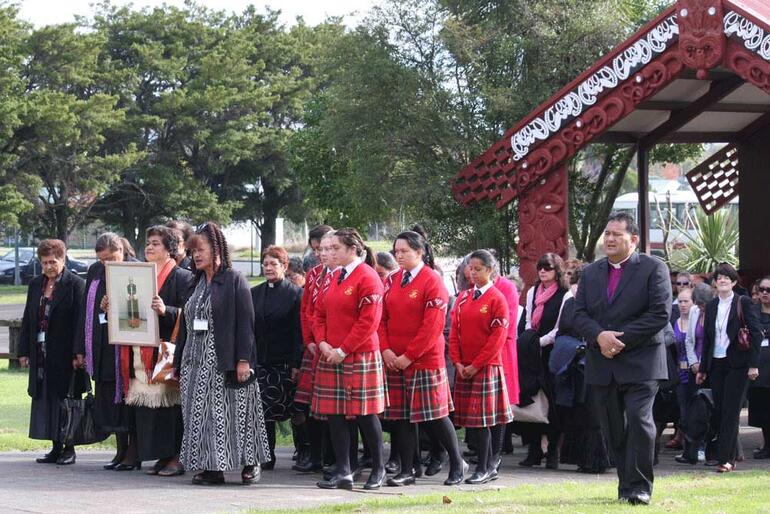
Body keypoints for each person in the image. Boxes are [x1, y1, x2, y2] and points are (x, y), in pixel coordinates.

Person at [573, 212, 672, 505]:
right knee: (614, 428)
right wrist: (600, 337)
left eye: (617, 234)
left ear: (634, 239)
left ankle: (641, 487)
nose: (611, 239)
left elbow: (660, 314)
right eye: (608, 233)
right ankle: (625, 485)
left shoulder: (654, 268)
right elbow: (579, 314)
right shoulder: (590, 273)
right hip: (602, 362)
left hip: (641, 361)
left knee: (641, 423)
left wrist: (619, 340)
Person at [173, 222, 271, 485]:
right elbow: (185, 325)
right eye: (193, 251)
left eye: (201, 250)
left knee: (235, 415)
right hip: (194, 362)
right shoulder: (194, 283)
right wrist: (177, 362)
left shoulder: (233, 279)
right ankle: (212, 468)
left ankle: (251, 464)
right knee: (202, 417)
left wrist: (243, 360)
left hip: (224, 360)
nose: (196, 256)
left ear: (216, 249)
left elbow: (245, 324)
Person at [379, 231, 468, 487]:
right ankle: (407, 470)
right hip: (394, 360)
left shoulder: (432, 281)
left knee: (435, 415)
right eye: (397, 251)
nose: (399, 255)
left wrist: (409, 355)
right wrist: (386, 350)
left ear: (420, 252)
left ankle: (457, 462)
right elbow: (381, 319)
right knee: (402, 418)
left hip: (423, 360)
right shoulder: (393, 280)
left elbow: (432, 326)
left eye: (405, 251)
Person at [312, 228, 387, 491]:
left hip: (358, 354)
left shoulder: (368, 277)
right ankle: (344, 470)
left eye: (335, 249)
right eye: (328, 249)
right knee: (335, 415)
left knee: (365, 414)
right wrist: (322, 343)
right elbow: (318, 313)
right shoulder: (333, 276)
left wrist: (342, 350)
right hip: (331, 354)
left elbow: (369, 321)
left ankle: (378, 469)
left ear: (352, 249)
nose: (329, 253)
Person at [121, 226, 193, 476]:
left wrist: (167, 311)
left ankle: (177, 456)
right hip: (141, 351)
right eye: (148, 243)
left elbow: (190, 314)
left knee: (171, 408)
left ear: (169, 248)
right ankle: (162, 455)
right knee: (152, 409)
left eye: (156, 244)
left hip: (167, 352)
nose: (149, 248)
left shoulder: (183, 277)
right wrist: (112, 305)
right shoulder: (141, 274)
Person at [19, 239, 86, 465]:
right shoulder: (35, 284)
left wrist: (79, 351)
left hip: (65, 352)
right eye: (45, 262)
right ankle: (55, 447)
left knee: (66, 398)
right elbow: (28, 318)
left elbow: (80, 321)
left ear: (63, 259)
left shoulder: (76, 284)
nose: (49, 266)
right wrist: (23, 350)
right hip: (40, 352)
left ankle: (69, 448)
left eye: (53, 261)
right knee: (45, 398)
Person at [449, 249, 513, 485]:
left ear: (489, 270)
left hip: (485, 367)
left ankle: (486, 467)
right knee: (471, 422)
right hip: (464, 367)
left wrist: (476, 365)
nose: (472, 273)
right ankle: (483, 465)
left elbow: (496, 339)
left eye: (478, 269)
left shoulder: (497, 299)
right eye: (470, 269)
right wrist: (457, 361)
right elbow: (454, 332)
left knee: (484, 420)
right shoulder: (464, 298)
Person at [697, 263, 763, 473]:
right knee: (719, 411)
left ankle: (726, 459)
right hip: (717, 363)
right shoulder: (713, 305)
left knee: (731, 412)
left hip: (738, 364)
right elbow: (708, 338)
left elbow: (756, 333)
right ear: (715, 283)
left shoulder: (743, 302)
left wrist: (753, 364)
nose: (722, 280)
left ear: (734, 282)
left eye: (727, 278)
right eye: (719, 278)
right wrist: (703, 368)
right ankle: (731, 454)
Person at [74, 232, 132, 469]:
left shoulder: (135, 270)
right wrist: (80, 348)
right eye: (102, 259)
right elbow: (84, 312)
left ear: (122, 250)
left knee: (126, 402)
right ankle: (120, 451)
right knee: (109, 398)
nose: (106, 264)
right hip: (101, 346)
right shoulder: (95, 273)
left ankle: (132, 453)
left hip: (127, 349)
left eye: (111, 257)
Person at [551, 265, 610, 473]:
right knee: (579, 413)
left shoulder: (601, 303)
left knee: (595, 413)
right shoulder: (570, 303)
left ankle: (598, 460)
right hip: (575, 365)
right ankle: (582, 459)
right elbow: (562, 331)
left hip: (596, 361)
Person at [251, 245, 303, 470]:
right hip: (261, 361)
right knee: (262, 411)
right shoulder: (254, 292)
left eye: (273, 264)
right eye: (265, 264)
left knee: (295, 410)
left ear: (285, 266)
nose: (268, 268)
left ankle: (303, 450)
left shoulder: (295, 294)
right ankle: (266, 453)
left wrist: (296, 363)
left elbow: (298, 331)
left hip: (285, 363)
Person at [517, 253, 570, 469]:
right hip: (531, 352)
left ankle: (553, 451)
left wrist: (541, 342)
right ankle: (534, 448)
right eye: (540, 268)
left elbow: (560, 327)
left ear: (556, 270)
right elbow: (529, 320)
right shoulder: (532, 292)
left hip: (551, 352)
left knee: (552, 402)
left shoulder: (565, 295)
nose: (542, 272)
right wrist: (531, 341)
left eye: (547, 268)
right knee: (529, 397)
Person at [294, 226, 335, 473]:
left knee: (334, 410)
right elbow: (307, 310)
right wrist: (310, 340)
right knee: (311, 407)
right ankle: (315, 455)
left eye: (325, 249)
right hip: (314, 348)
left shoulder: (342, 274)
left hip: (334, 348)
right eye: (317, 249)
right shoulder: (314, 274)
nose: (320, 254)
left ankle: (334, 457)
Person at [749, 276, 770, 459]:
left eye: (768, 290)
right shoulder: (753, 311)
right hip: (758, 366)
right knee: (762, 407)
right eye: (762, 289)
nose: (764, 293)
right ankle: (767, 445)